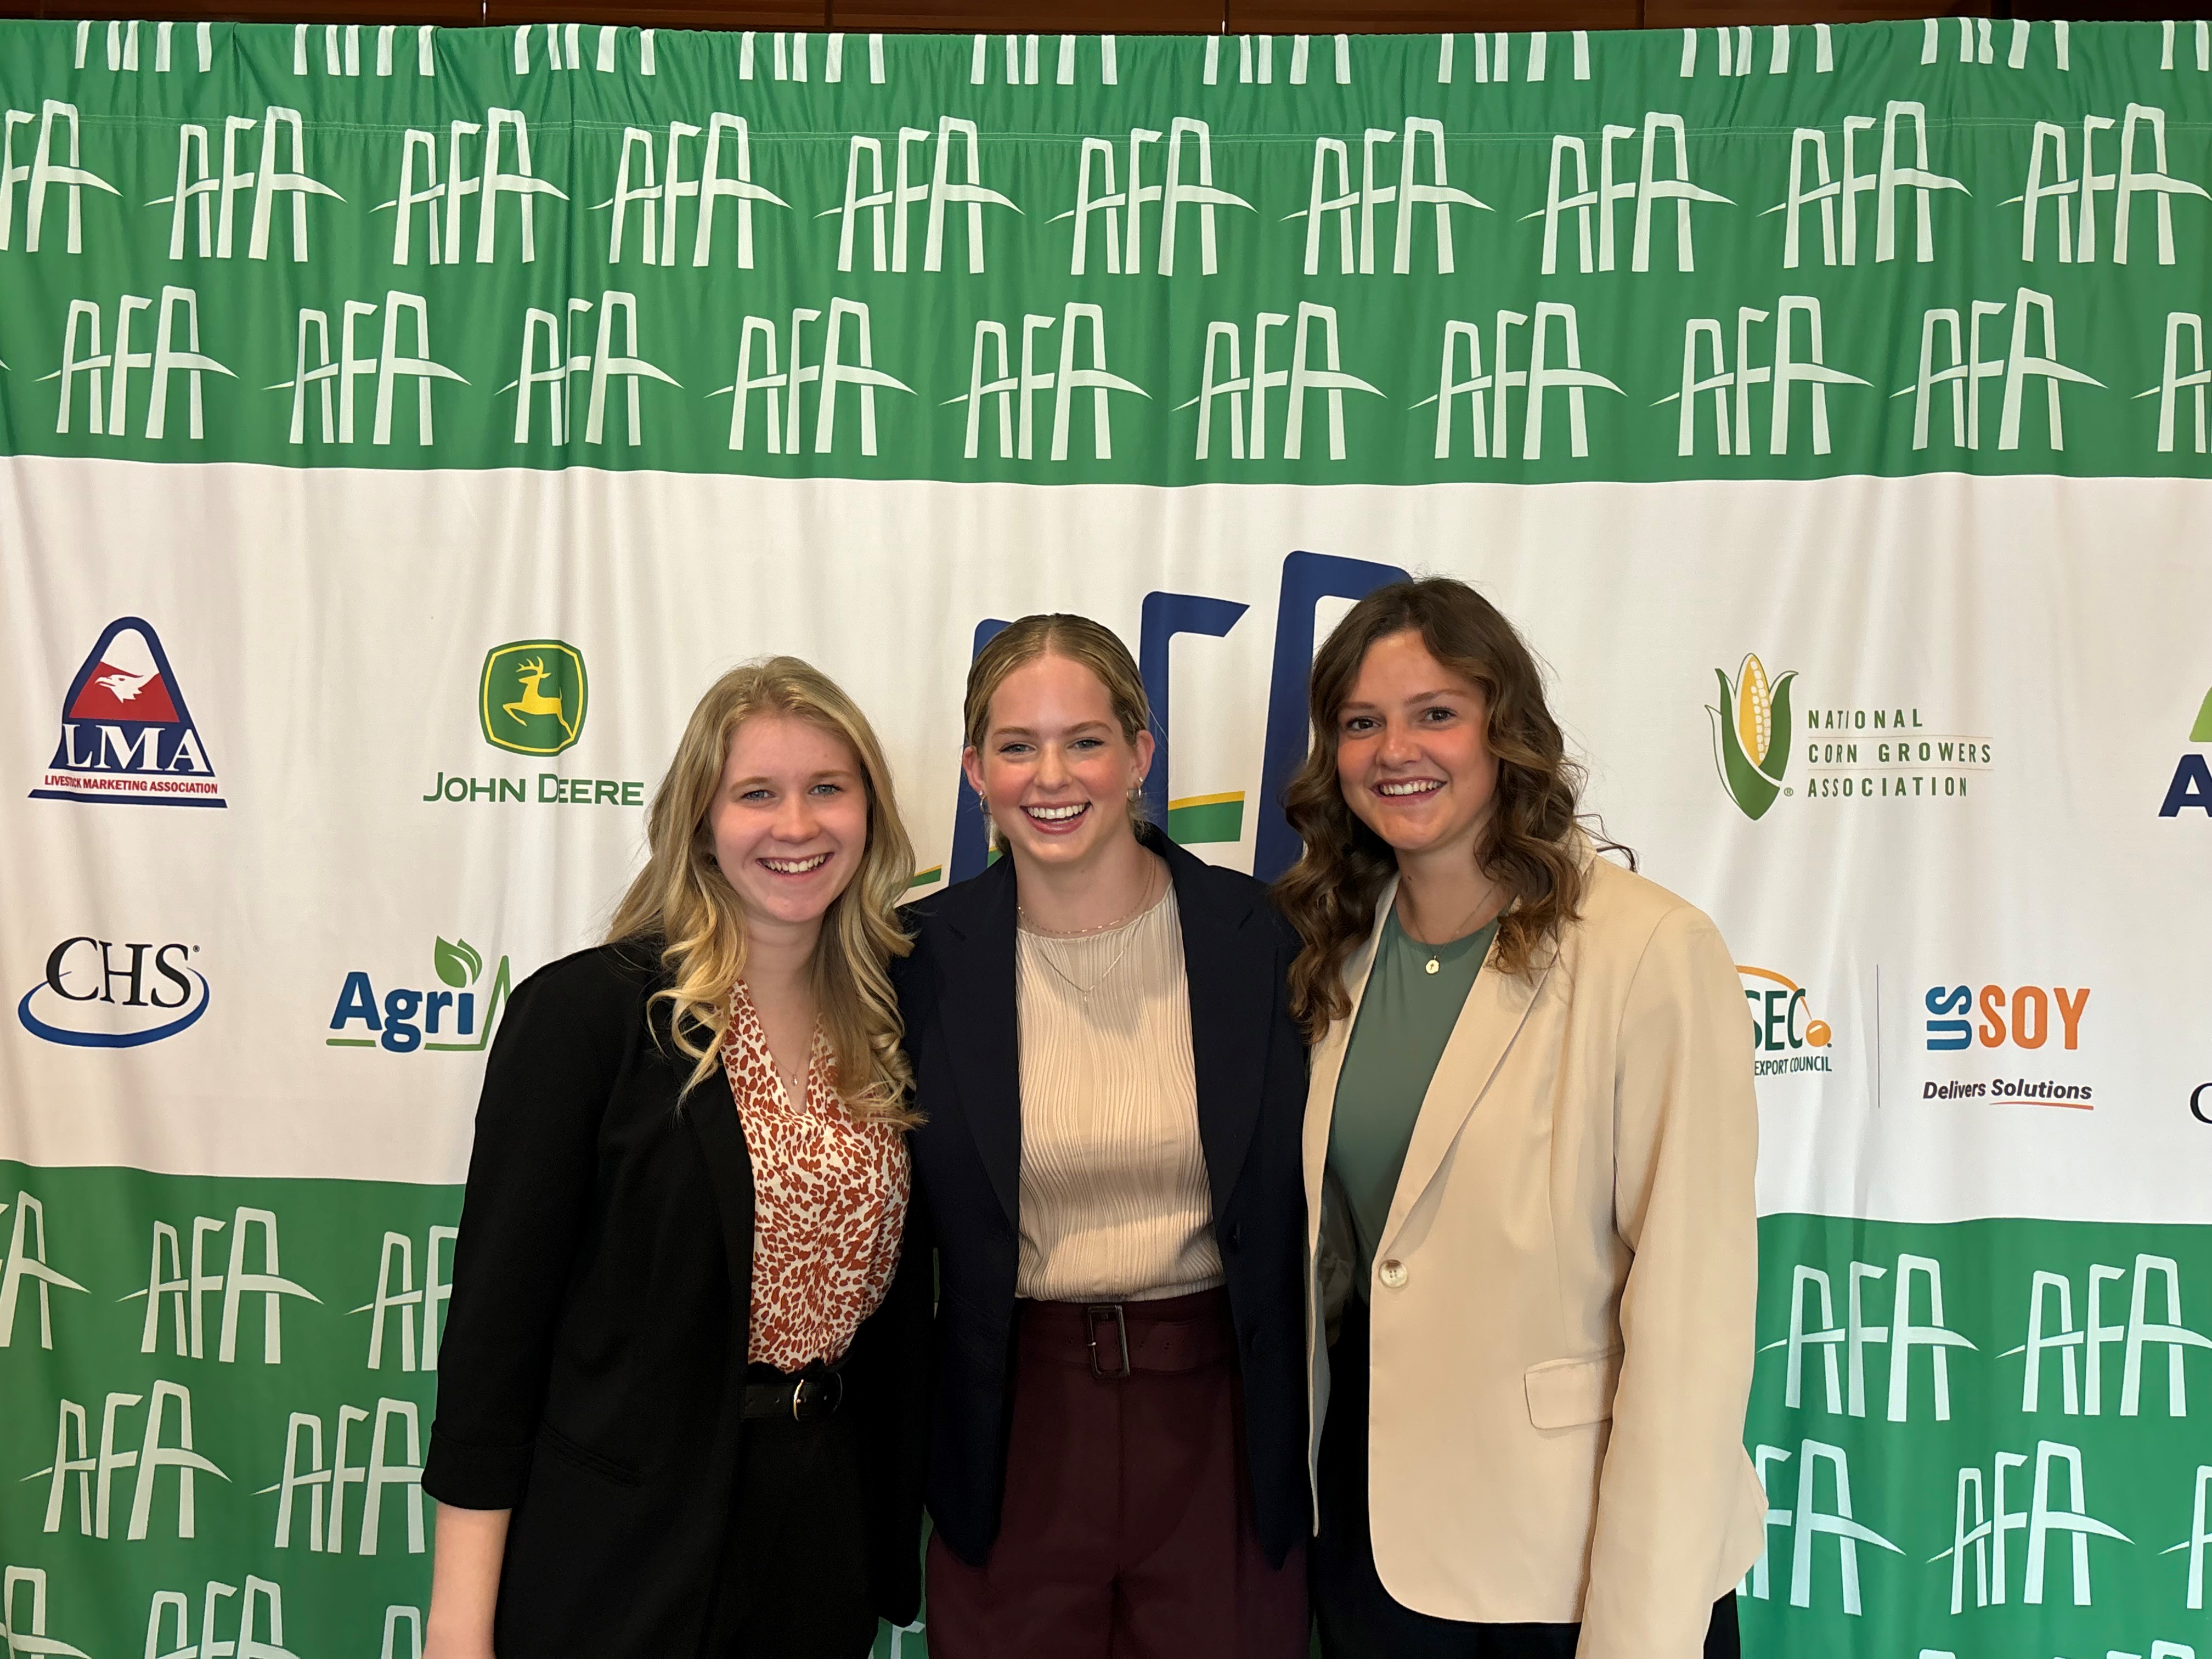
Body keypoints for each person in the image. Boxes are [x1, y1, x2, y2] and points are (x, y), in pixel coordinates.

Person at [1274, 578, 1764, 1659]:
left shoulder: (1648, 951)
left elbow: (1692, 1331)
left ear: (1508, 733)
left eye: (1435, 713)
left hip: (1567, 1565)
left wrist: (1642, 1628)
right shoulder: (1327, 952)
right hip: (1369, 1541)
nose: (1395, 748)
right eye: (1362, 723)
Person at [420, 658, 928, 1659]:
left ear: (869, 811)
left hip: (816, 1535)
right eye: (757, 795)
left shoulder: (890, 1023)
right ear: (699, 821)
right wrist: (459, 1623)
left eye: (828, 788)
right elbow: (494, 1346)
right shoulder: (585, 1020)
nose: (797, 825)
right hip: (618, 1549)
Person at [896, 613, 1310, 1657]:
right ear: (973, 771)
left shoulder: (1261, 941)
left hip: (1220, 1423)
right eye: (1016, 745)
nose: (1052, 774)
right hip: (1012, 1428)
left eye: (1084, 740)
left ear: (1140, 756)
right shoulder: (918, 964)